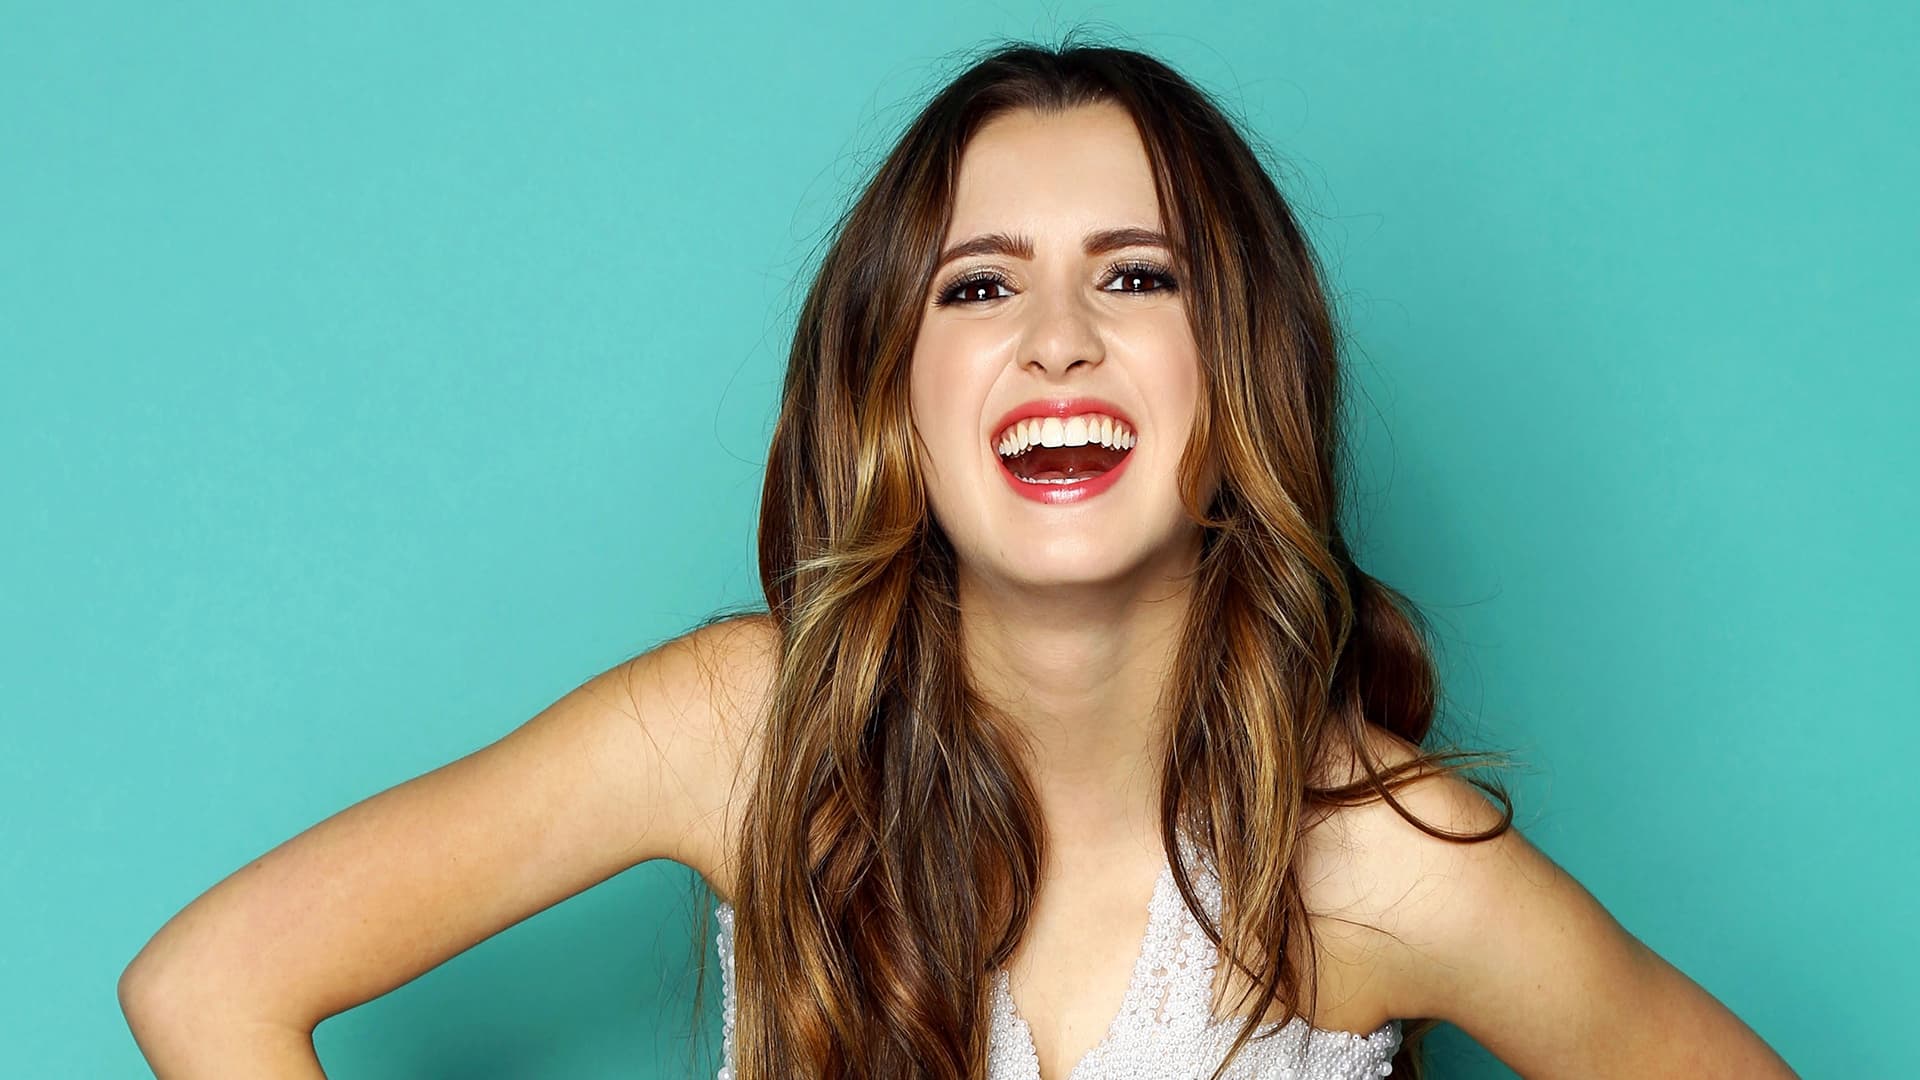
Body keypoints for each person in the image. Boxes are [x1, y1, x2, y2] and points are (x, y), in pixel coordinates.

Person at [118, 38, 1798, 1080]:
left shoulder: (1379, 860)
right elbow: (210, 986)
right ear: (894, 394)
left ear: (1243, 380)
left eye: (1139, 276)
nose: (1058, 336)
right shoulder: (746, 734)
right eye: (980, 286)